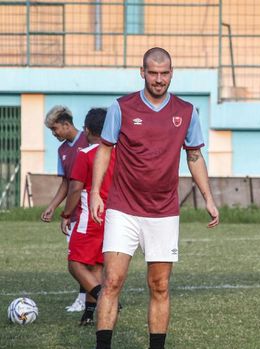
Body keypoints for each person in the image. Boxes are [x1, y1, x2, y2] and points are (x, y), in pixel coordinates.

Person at [90, 47, 220, 349]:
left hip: (163, 212)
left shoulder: (186, 112)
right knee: (112, 281)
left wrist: (208, 198)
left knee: (159, 285)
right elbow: (105, 149)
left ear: (171, 73)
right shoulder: (122, 107)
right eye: (153, 73)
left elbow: (195, 156)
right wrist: (96, 192)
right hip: (122, 208)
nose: (159, 79)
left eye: (164, 73)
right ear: (142, 72)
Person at [59, 107, 115, 326]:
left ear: (87, 130)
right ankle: (89, 314)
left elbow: (75, 189)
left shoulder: (86, 154)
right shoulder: (117, 153)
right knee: (96, 267)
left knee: (75, 264)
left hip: (89, 217)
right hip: (112, 218)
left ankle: (104, 296)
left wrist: (65, 214)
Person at [42, 105, 90, 313]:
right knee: (78, 259)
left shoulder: (88, 141)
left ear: (66, 124)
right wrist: (53, 207)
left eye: (54, 129)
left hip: (91, 210)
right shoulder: (62, 151)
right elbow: (66, 183)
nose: (53, 134)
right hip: (74, 213)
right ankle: (94, 296)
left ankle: (86, 300)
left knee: (82, 260)